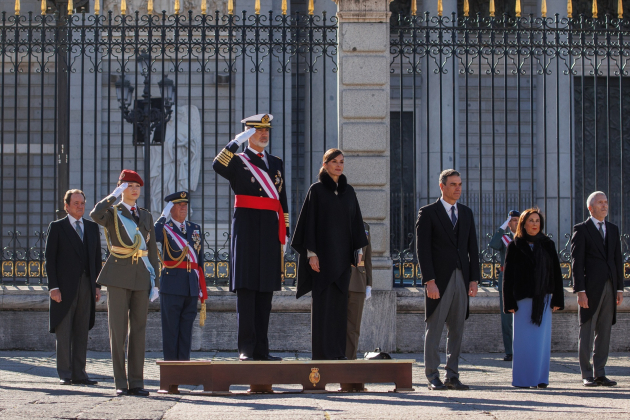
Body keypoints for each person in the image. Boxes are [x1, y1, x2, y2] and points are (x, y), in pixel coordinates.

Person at [212, 114, 289, 362]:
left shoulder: (276, 162)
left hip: (268, 228)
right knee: (246, 289)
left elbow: (281, 199)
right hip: (246, 227)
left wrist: (285, 231)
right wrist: (236, 142)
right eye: (257, 130)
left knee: (265, 290)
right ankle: (246, 347)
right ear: (248, 134)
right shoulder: (238, 161)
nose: (264, 134)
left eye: (266, 130)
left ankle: (262, 349)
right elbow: (217, 165)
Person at [292, 148, 368, 360]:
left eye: (341, 162)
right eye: (334, 161)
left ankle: (338, 355)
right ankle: (321, 356)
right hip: (322, 262)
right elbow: (308, 225)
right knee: (323, 310)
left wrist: (358, 251)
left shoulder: (349, 192)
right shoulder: (316, 190)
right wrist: (311, 254)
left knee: (340, 310)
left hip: (343, 261)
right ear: (325, 165)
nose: (338, 165)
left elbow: (356, 224)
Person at [90, 170, 160, 396]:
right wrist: (113, 195)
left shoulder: (146, 215)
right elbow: (94, 214)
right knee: (118, 331)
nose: (134, 189)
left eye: (137, 185)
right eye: (129, 185)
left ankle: (137, 382)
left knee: (138, 330)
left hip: (141, 275)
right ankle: (120, 382)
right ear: (121, 188)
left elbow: (152, 250)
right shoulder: (112, 212)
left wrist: (156, 282)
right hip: (118, 275)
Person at [415, 169, 480, 391]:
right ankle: (432, 374)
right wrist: (429, 281)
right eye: (453, 184)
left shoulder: (467, 213)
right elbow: (422, 250)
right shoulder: (428, 213)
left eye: (460, 184)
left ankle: (452, 375)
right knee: (434, 329)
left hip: (461, 277)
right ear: (442, 187)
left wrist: (474, 280)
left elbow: (473, 248)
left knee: (457, 329)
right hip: (439, 280)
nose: (458, 188)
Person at [45, 189, 102, 386]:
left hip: (86, 285)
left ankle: (80, 373)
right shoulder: (57, 227)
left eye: (82, 203)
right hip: (64, 287)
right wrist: (53, 287)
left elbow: (96, 259)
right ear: (66, 206)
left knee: (81, 330)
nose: (80, 206)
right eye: (76, 203)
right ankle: (65, 373)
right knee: (64, 330)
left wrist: (96, 285)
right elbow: (49, 260)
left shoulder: (92, 228)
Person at [503, 208, 564, 389]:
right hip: (522, 301)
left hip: (543, 301)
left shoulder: (548, 244)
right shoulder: (515, 245)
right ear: (523, 223)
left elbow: (556, 273)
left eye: (537, 221)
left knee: (541, 343)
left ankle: (540, 379)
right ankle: (522, 380)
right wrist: (509, 303)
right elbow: (508, 277)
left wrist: (557, 299)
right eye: (531, 221)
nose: (535, 224)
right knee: (523, 344)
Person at [571, 191, 624, 387]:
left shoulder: (613, 229)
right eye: (600, 203)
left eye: (606, 202)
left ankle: (600, 372)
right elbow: (577, 263)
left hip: (610, 287)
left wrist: (619, 288)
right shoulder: (582, 229)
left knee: (604, 331)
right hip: (590, 289)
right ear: (590, 207)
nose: (604, 205)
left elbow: (617, 260)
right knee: (586, 330)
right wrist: (580, 291)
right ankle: (586, 374)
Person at [154, 191, 207, 361]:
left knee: (186, 331)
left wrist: (200, 286)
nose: (183, 208)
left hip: (191, 285)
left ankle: (184, 366)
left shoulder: (195, 228)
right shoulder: (165, 228)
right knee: (171, 331)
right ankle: (171, 368)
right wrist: (163, 215)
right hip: (171, 285)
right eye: (179, 205)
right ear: (171, 208)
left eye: (185, 205)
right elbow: (152, 236)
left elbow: (199, 260)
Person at [488, 210, 520, 362]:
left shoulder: (525, 238)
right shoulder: (505, 239)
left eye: (517, 220)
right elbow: (493, 244)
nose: (515, 222)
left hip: (522, 281)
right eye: (512, 220)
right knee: (506, 319)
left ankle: (522, 349)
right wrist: (503, 227)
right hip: (506, 280)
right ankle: (509, 351)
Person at [346, 221, 373, 360]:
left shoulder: (364, 226)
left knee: (353, 328)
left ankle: (350, 360)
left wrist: (369, 283)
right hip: (339, 280)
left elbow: (367, 257)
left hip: (358, 281)